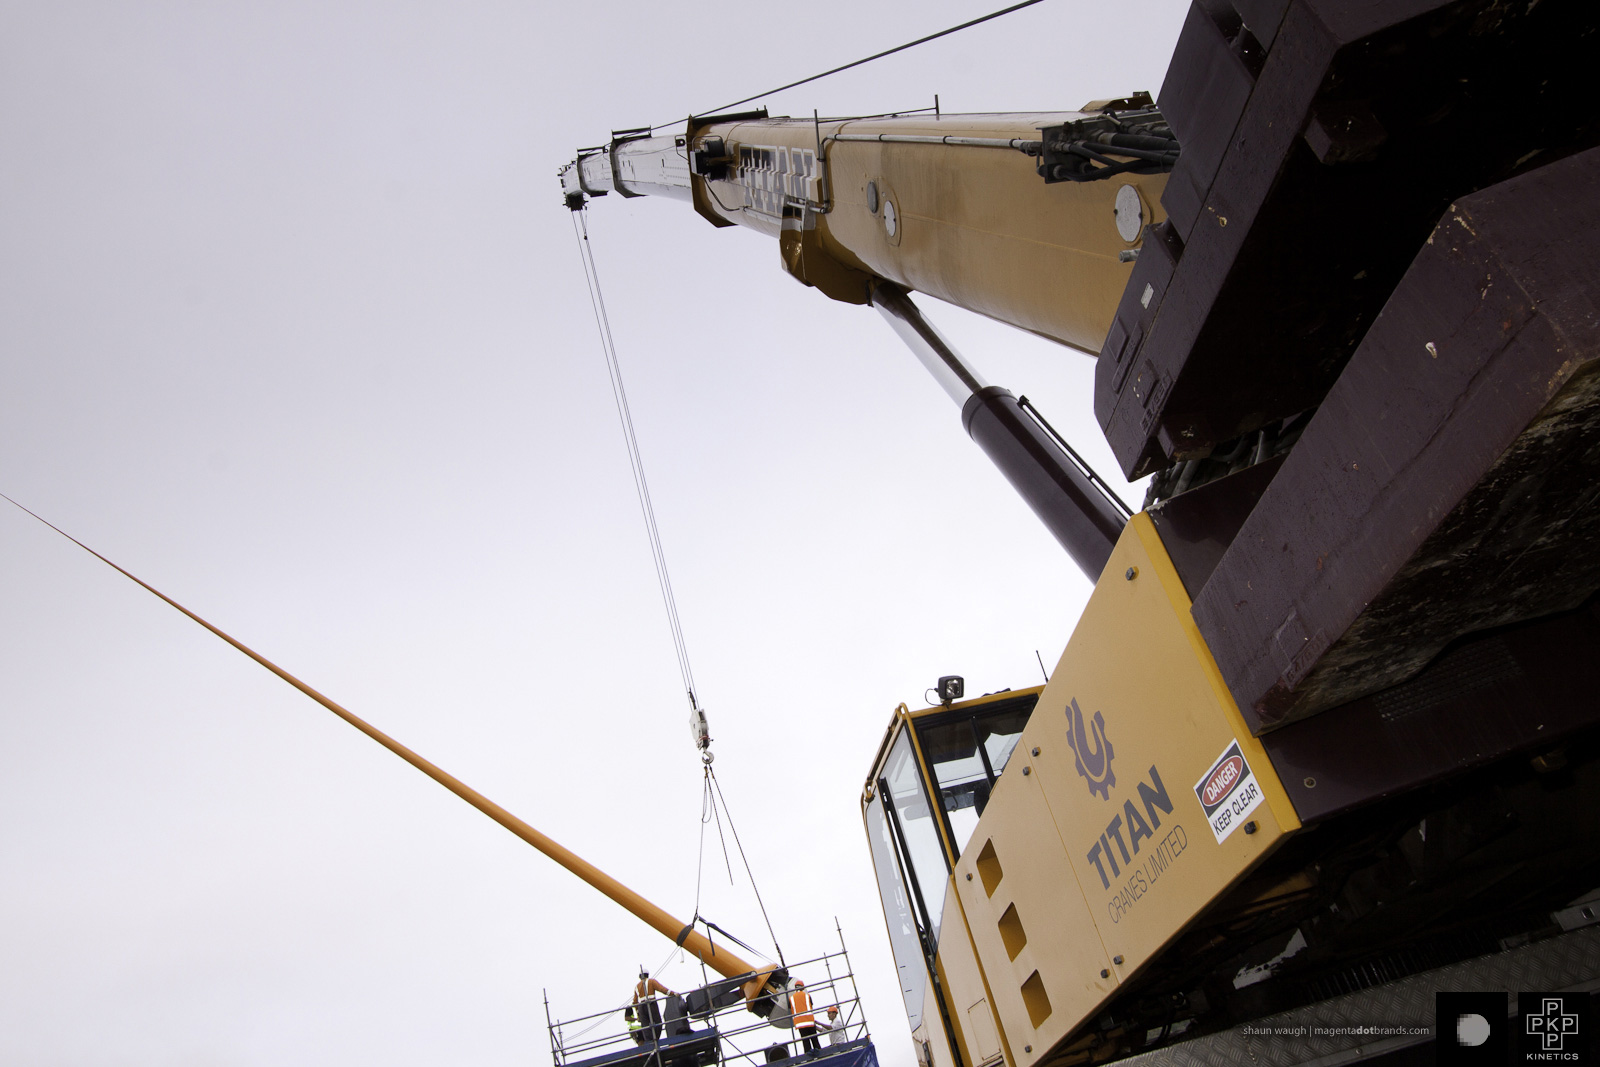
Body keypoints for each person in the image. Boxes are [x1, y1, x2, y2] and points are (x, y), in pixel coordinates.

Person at [633, 971, 674, 1043]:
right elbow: (662, 989)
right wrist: (673, 993)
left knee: (645, 1027)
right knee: (658, 1023)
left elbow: (635, 1002)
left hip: (641, 1007)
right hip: (651, 1004)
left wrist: (638, 1013)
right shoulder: (651, 981)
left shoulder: (637, 986)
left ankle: (650, 1043)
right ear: (647, 975)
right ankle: (655, 1040)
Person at [791, 980, 819, 1054]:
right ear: (803, 988)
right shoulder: (807, 996)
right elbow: (811, 1005)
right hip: (809, 1020)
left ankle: (808, 1053)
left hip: (799, 1022)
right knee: (814, 1038)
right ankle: (818, 1050)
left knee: (805, 1039)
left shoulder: (791, 998)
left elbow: (790, 1008)